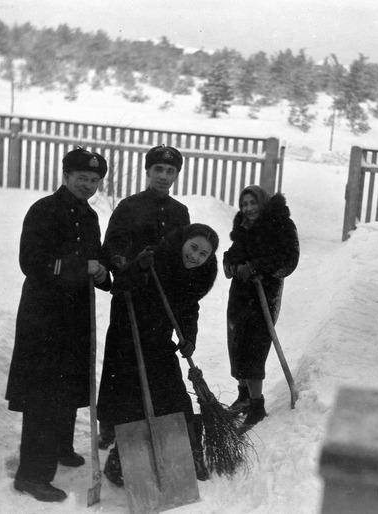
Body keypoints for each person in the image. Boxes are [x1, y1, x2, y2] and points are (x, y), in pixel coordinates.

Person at [5, 147, 111, 503]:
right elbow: (32, 262)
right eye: (82, 178)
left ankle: (61, 447)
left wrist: (103, 272)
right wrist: (83, 269)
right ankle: (31, 475)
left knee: (67, 382)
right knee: (43, 392)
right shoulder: (44, 210)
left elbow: (96, 258)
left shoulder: (91, 216)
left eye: (95, 180)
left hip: (75, 313)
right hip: (44, 314)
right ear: (66, 176)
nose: (88, 185)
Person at [97, 223, 219, 484]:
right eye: (193, 248)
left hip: (159, 340)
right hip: (129, 337)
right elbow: (120, 286)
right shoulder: (155, 257)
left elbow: (188, 310)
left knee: (174, 397)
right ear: (183, 242)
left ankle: (187, 457)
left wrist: (189, 339)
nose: (195, 257)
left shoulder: (198, 276)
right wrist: (138, 267)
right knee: (135, 401)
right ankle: (121, 466)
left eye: (203, 254)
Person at [99, 144, 190, 481]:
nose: (163, 177)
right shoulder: (129, 207)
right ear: (148, 171)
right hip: (130, 294)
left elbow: (184, 253)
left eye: (170, 172)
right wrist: (133, 263)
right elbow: (113, 248)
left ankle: (146, 419)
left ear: (176, 175)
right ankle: (110, 422)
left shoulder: (180, 212)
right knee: (120, 357)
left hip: (160, 299)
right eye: (158, 171)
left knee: (153, 359)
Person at [223, 185, 299, 427]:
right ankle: (244, 396)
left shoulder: (282, 224)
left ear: (263, 202)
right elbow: (231, 255)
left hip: (265, 294)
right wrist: (234, 267)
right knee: (237, 341)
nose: (248, 208)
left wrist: (256, 267)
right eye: (244, 204)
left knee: (255, 344)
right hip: (241, 291)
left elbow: (288, 259)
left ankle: (257, 406)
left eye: (253, 203)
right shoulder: (243, 226)